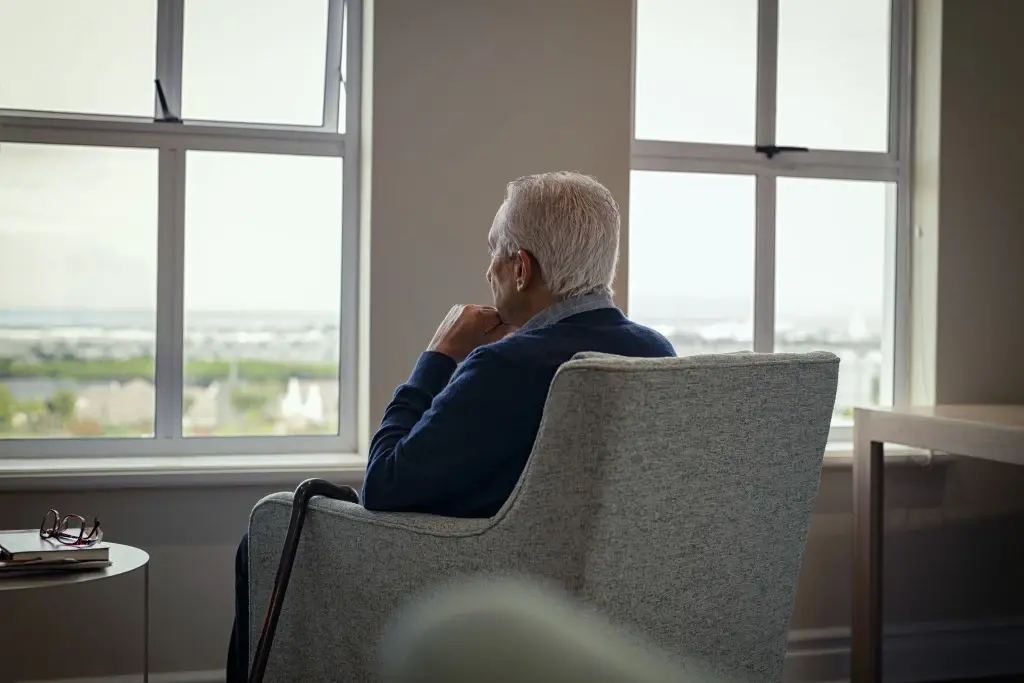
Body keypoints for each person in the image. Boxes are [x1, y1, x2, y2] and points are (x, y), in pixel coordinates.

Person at [226, 171, 674, 681]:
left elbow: (385, 485)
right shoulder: (658, 354)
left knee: (270, 529)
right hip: (599, 597)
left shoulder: (507, 365)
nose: (489, 271)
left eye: (494, 253)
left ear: (521, 268)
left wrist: (439, 355)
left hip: (486, 580)